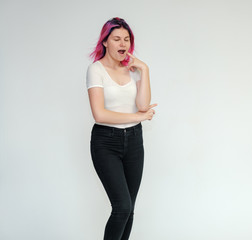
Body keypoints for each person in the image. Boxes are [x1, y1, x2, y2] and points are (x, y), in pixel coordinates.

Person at [86, 17, 157, 240]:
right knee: (122, 207)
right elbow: (100, 114)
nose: (122, 44)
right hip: (106, 142)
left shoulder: (133, 69)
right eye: (116, 39)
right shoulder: (95, 70)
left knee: (130, 210)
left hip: (135, 141)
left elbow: (143, 105)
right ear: (105, 42)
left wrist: (144, 70)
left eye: (126, 39)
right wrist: (138, 116)